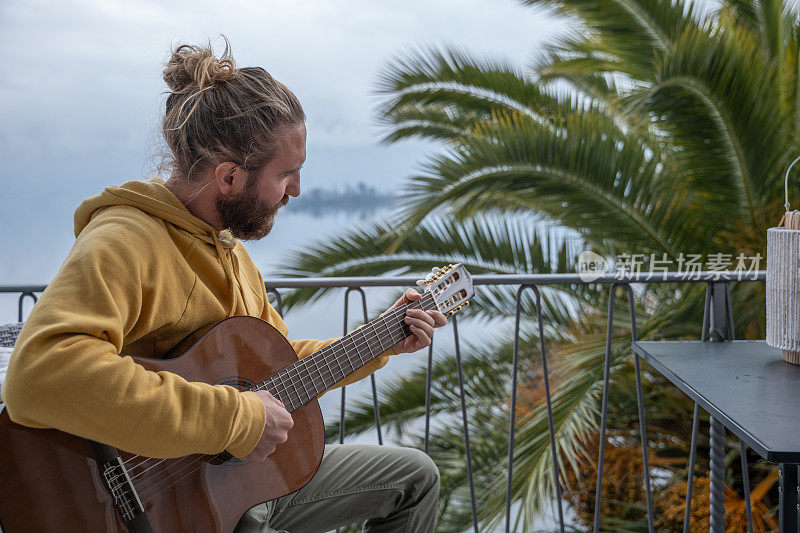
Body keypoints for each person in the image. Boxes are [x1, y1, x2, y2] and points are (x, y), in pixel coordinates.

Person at [1, 38, 446, 532]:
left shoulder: (231, 252)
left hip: (244, 480)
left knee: (415, 477)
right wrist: (235, 419)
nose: (297, 190)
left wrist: (382, 339)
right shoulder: (124, 241)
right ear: (229, 178)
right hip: (164, 507)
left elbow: (278, 368)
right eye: (288, 174)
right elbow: (40, 374)